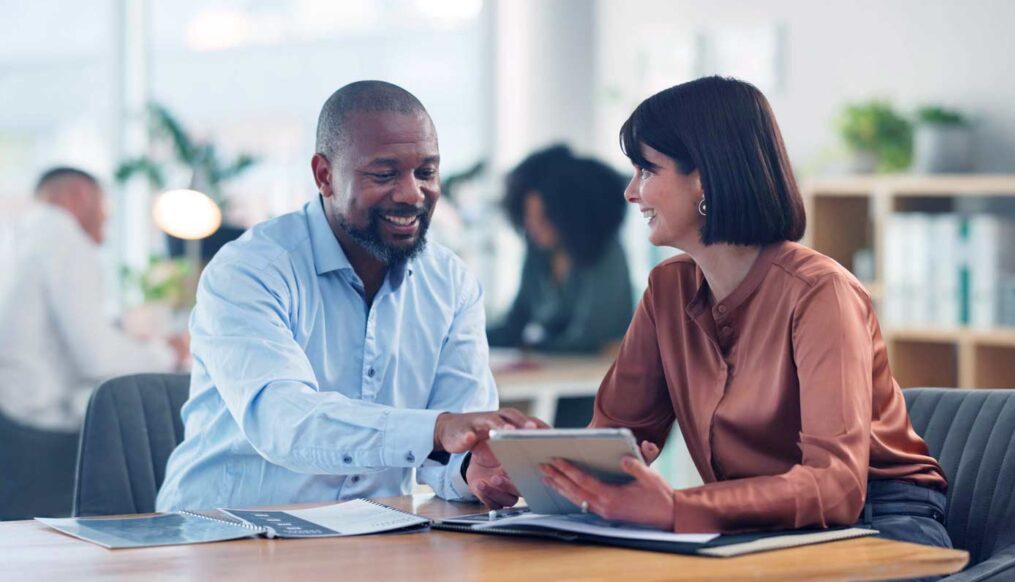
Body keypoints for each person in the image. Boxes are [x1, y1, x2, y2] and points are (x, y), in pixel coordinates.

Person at [535, 76, 952, 549]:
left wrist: (678, 508)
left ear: (707, 178)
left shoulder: (821, 292)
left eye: (647, 170)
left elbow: (837, 486)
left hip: (880, 525)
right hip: (757, 527)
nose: (632, 193)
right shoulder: (667, 289)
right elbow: (613, 438)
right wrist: (541, 472)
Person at [157, 81, 544, 512]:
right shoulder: (249, 271)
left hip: (371, 535)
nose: (412, 193)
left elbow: (453, 442)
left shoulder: (451, 284)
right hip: (224, 535)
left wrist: (472, 467)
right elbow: (286, 423)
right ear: (325, 175)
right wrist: (438, 428)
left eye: (426, 172)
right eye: (384, 174)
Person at [0, 167, 187, 432]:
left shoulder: (23, 236)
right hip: (38, 425)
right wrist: (167, 353)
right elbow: (97, 359)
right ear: (80, 194)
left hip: (12, 414)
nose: (105, 217)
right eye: (103, 203)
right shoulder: (65, 239)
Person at [487, 145, 633, 354]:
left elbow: (591, 338)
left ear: (569, 213)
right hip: (553, 375)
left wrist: (533, 346)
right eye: (527, 217)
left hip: (598, 376)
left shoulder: (605, 251)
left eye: (543, 218)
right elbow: (514, 325)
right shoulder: (538, 251)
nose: (532, 227)